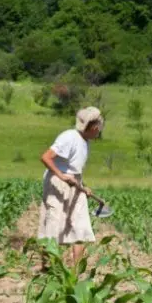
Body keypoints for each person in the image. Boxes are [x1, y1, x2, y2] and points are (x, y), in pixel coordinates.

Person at [37, 107, 104, 264]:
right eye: (99, 127)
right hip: (57, 184)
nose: (100, 131)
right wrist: (61, 176)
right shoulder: (69, 137)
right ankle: (47, 267)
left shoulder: (85, 142)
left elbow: (74, 170)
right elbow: (46, 158)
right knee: (53, 224)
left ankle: (75, 273)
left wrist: (84, 186)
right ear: (94, 126)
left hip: (75, 183)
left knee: (81, 226)